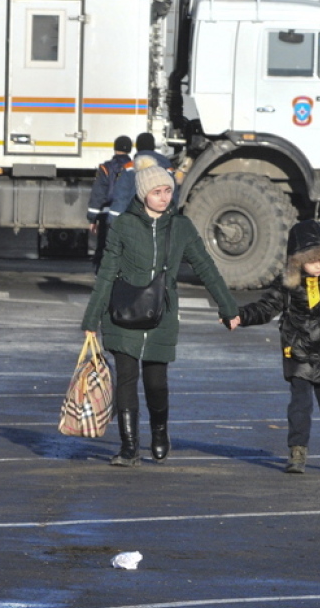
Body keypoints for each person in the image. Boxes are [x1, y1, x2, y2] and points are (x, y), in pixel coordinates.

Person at [82, 156, 238, 467]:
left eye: (168, 191)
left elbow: (205, 267)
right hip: (122, 313)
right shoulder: (124, 225)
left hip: (161, 315)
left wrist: (227, 306)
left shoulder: (180, 227)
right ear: (143, 194)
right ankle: (129, 448)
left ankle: (159, 433)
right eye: (157, 192)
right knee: (126, 378)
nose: (164, 197)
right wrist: (91, 320)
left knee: (156, 382)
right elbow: (107, 271)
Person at [228, 221, 320, 474]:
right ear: (296, 262)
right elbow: (265, 308)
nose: (317, 265)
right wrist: (241, 316)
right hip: (299, 354)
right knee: (299, 407)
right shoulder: (288, 287)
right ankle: (297, 452)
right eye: (310, 260)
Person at [86, 135, 133, 271]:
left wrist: (92, 219)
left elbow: (98, 194)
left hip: (106, 216)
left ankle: (101, 277)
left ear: (115, 148)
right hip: (127, 215)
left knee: (104, 247)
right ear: (130, 149)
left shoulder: (106, 168)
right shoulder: (134, 168)